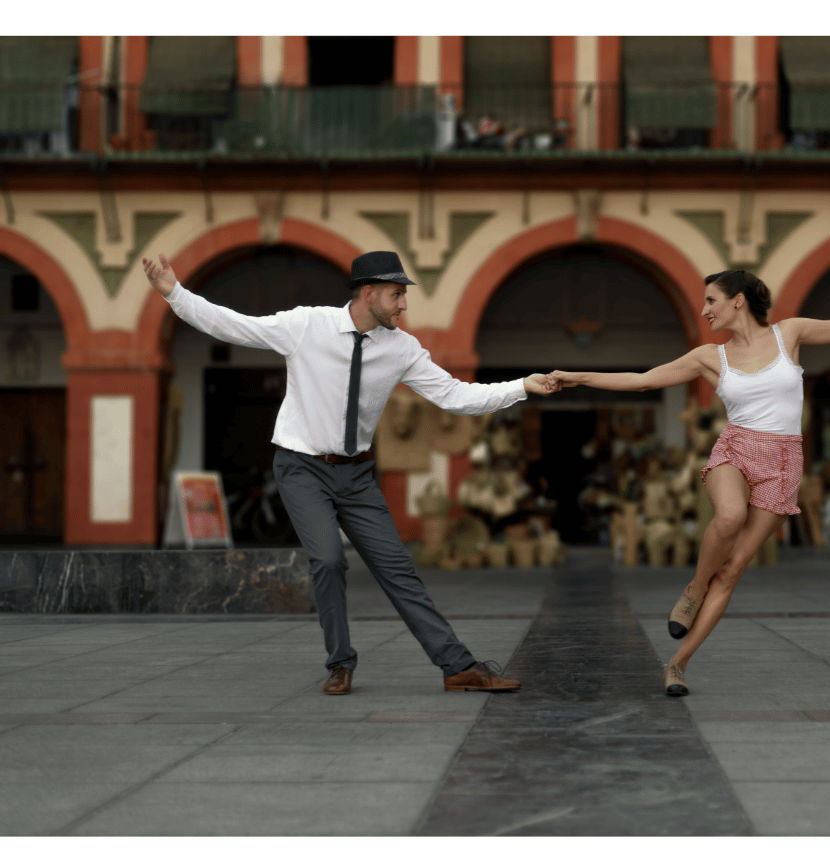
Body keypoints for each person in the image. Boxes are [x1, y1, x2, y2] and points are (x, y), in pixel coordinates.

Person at [143, 250, 558, 696]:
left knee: (399, 569)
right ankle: (340, 664)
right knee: (328, 559)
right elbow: (234, 325)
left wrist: (521, 387)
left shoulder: (402, 349)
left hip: (357, 476)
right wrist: (174, 293)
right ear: (369, 293)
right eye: (397, 295)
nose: (404, 305)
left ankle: (457, 667)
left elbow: (456, 396)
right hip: (302, 467)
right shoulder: (308, 326)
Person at [552, 251, 830, 696]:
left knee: (733, 570)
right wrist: (577, 376)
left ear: (737, 300)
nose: (704, 309)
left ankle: (676, 664)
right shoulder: (708, 356)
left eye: (711, 300)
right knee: (729, 517)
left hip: (783, 462)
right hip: (736, 449)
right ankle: (694, 589)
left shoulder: (789, 333)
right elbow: (644, 380)